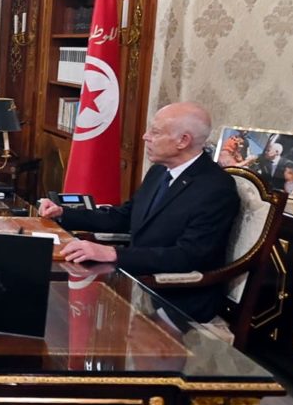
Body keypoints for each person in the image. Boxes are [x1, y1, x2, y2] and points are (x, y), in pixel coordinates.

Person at [37, 101, 240, 322]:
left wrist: (112, 253)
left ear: (183, 141)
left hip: (177, 298)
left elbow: (188, 256)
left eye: (155, 132)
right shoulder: (159, 171)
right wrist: (63, 213)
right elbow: (125, 216)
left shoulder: (216, 188)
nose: (145, 137)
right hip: (137, 281)